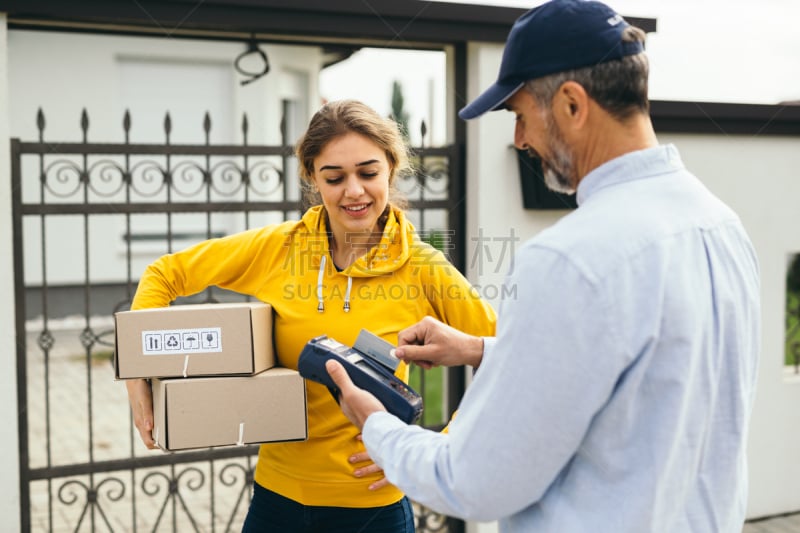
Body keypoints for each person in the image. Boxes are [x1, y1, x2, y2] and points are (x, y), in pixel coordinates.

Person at [325, 1, 761, 532]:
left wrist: (376, 427)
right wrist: (479, 349)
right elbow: (646, 373)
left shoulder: (569, 259)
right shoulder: (720, 225)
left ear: (573, 105)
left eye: (520, 115)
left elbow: (475, 482)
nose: (520, 140)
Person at [124, 99, 497, 532]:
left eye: (368, 173)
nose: (353, 191)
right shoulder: (280, 248)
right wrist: (140, 375)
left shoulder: (422, 266)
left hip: (372, 510)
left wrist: (436, 449)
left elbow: (505, 358)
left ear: (392, 169)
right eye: (334, 177)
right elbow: (164, 274)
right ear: (312, 178)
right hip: (277, 501)